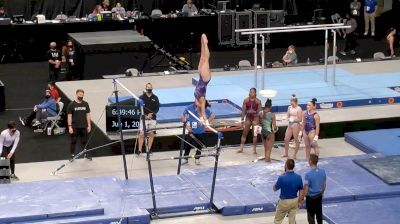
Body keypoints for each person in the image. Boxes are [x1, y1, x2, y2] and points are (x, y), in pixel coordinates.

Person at [181, 101, 214, 165]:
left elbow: (212, 116)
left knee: (200, 145)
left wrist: (206, 122)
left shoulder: (204, 109)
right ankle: (185, 158)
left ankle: (197, 158)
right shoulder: (189, 108)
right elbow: (182, 117)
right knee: (188, 145)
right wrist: (186, 126)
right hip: (192, 131)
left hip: (201, 131)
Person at [273, 159, 303, 224]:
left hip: (284, 202)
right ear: (294, 166)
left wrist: (280, 177)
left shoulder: (282, 178)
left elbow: (274, 189)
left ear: (285, 166)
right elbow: (301, 191)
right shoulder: (299, 177)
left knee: (277, 221)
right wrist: (300, 201)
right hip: (294, 201)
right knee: (292, 221)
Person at [300, 154, 327, 224]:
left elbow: (305, 188)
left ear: (310, 162)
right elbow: (324, 184)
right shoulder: (322, 171)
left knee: (311, 217)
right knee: (319, 215)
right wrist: (322, 193)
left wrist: (302, 198)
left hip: (311, 198)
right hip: (319, 196)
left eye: (309, 160)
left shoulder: (308, 174)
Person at [67, 89, 91, 160]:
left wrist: (89, 125)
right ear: (76, 94)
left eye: (82, 95)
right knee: (73, 141)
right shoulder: (71, 105)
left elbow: (88, 115)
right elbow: (69, 116)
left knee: (84, 141)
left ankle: (86, 154)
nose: (81, 96)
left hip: (84, 126)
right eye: (80, 95)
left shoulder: (86, 104)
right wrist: (70, 126)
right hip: (74, 127)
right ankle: (72, 156)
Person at [194, 34, 212, 126]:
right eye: (197, 106)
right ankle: (205, 44)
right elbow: (203, 113)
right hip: (205, 79)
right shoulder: (202, 99)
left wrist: (200, 118)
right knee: (206, 60)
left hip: (201, 77)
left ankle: (203, 42)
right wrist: (206, 122)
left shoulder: (196, 98)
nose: (195, 106)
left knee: (202, 57)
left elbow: (199, 111)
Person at [238, 88, 262, 154]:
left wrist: (260, 123)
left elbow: (260, 113)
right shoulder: (245, 100)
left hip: (255, 118)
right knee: (244, 134)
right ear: (249, 93)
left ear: (255, 93)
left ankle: (254, 150)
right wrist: (242, 121)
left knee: (255, 135)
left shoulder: (258, 101)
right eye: (251, 92)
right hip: (248, 118)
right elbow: (243, 111)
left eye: (253, 92)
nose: (252, 93)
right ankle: (241, 148)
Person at [138, 83, 160, 155]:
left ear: (152, 88)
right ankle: (139, 150)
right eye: (148, 87)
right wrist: (145, 115)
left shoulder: (155, 97)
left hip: (152, 118)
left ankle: (149, 149)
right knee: (141, 134)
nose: (149, 89)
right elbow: (138, 108)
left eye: (150, 88)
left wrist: (151, 114)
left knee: (151, 134)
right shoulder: (141, 97)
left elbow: (157, 108)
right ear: (145, 88)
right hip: (144, 118)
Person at [284, 94, 302, 159]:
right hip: (290, 124)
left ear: (296, 102)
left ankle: (294, 155)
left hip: (296, 125)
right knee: (286, 139)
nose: (291, 103)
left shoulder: (299, 109)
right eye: (291, 102)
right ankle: (286, 153)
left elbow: (300, 119)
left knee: (296, 140)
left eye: (292, 102)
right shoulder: (289, 107)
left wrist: (293, 119)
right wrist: (288, 119)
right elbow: (287, 116)